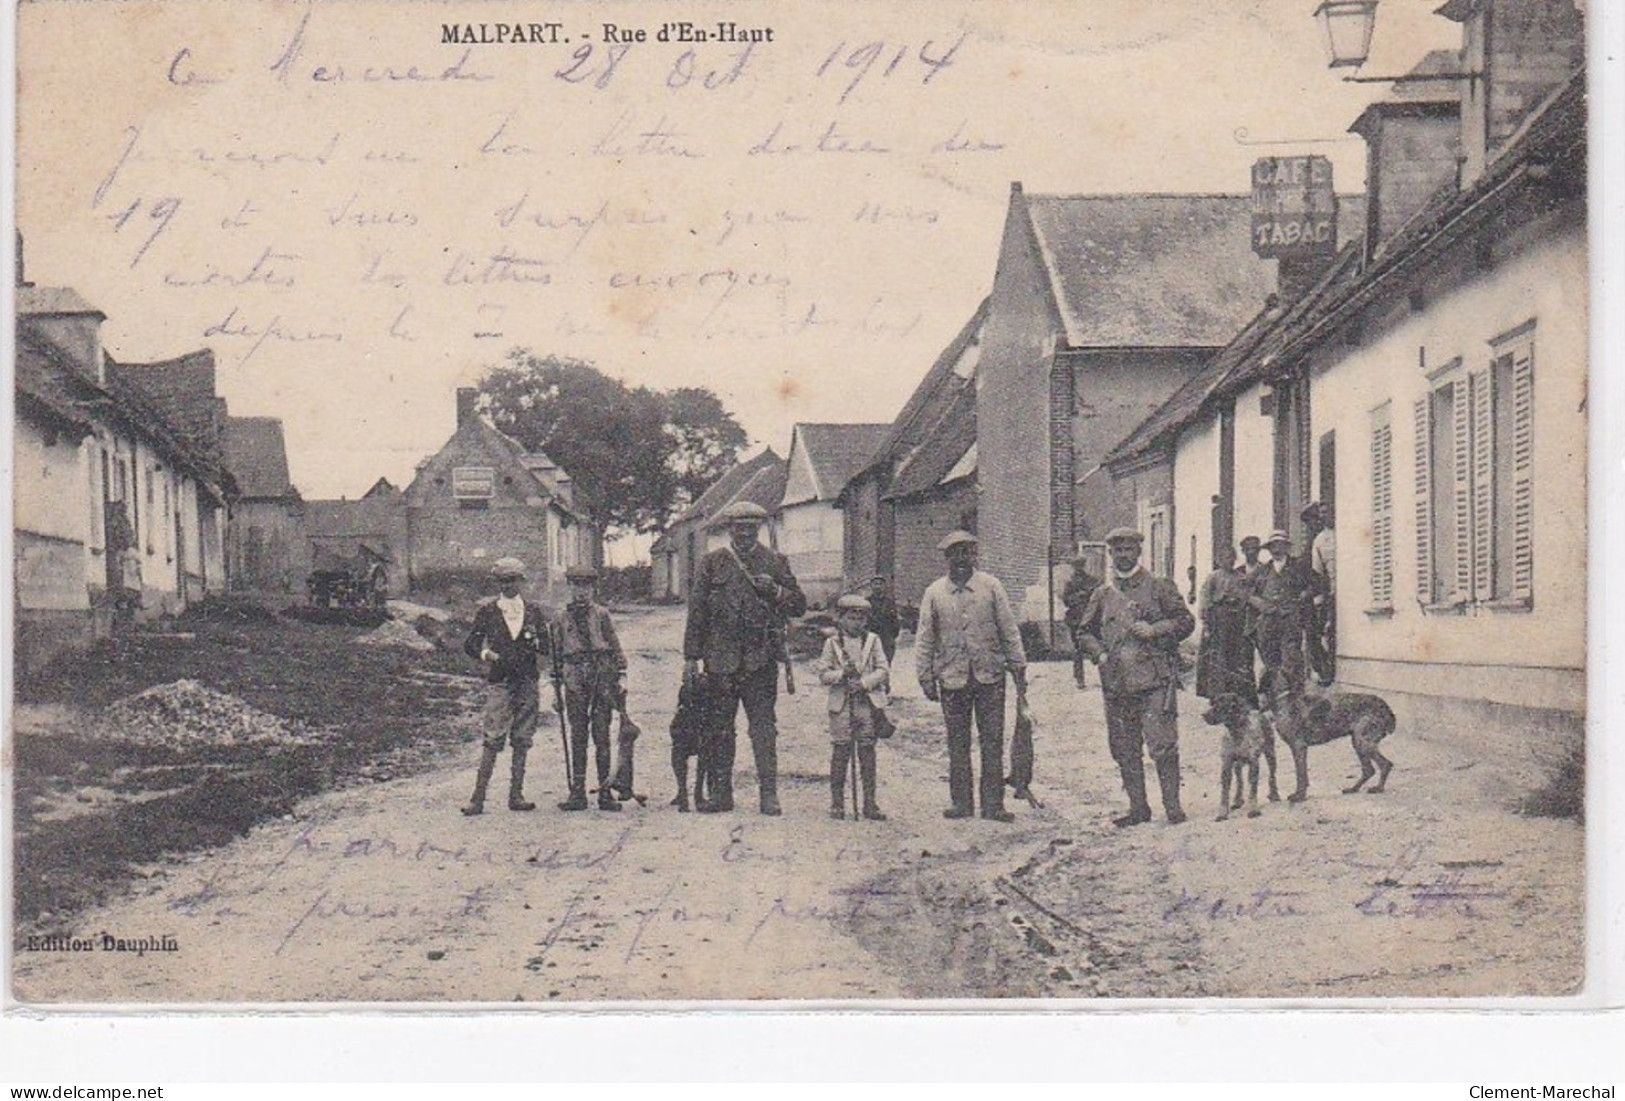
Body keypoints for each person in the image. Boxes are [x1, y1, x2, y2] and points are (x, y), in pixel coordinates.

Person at [683, 500, 807, 816]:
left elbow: (799, 605)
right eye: (740, 528)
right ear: (730, 530)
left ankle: (769, 795)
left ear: (759, 529)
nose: (745, 534)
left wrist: (777, 591)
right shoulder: (712, 563)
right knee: (719, 729)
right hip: (720, 660)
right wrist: (691, 657)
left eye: (751, 528)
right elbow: (697, 612)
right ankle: (722, 794)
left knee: (764, 729)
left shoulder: (775, 561)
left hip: (760, 660)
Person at [1074, 528, 1196, 827]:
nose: (1123, 556)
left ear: (1139, 552)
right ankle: (1138, 808)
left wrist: (1156, 630)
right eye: (1118, 551)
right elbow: (1084, 632)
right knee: (1124, 749)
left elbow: (1185, 621)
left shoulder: (1158, 587)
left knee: (1163, 745)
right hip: (1116, 684)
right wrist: (1099, 654)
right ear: (1111, 555)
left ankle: (1173, 807)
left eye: (1129, 550)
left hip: (1154, 681)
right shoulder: (1103, 594)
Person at [915, 530, 1027, 823]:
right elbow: (925, 637)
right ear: (947, 558)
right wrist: (925, 675)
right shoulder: (935, 593)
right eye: (955, 554)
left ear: (973, 555)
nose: (961, 560)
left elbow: (1008, 629)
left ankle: (993, 805)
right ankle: (961, 803)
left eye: (966, 553)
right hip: (952, 678)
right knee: (957, 743)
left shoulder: (991, 587)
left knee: (992, 741)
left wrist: (1018, 665)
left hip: (989, 675)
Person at [461, 557, 549, 816]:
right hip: (500, 681)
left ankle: (516, 795)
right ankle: (477, 799)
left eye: (513, 579)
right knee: (493, 736)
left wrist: (538, 645)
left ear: (522, 581)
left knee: (522, 737)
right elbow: (471, 644)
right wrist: (488, 655)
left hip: (527, 680)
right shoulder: (487, 611)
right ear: (497, 583)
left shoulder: (534, 612)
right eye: (503, 580)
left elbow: (546, 645)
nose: (509, 585)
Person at [552, 565, 628, 812]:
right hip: (574, 678)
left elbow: (615, 646)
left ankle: (605, 792)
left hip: (601, 677)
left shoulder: (602, 615)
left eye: (586, 586)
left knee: (601, 734)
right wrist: (556, 688)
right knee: (578, 735)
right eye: (576, 586)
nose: (581, 591)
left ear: (593, 588)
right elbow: (555, 655)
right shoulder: (560, 618)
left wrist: (620, 676)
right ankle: (577, 793)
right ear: (570, 588)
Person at [816, 594, 891, 821]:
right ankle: (837, 803)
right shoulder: (832, 643)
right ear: (841, 618)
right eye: (851, 617)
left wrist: (865, 683)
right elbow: (822, 674)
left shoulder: (873, 641)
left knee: (867, 751)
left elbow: (882, 669)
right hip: (842, 704)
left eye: (861, 618)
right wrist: (841, 675)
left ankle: (870, 803)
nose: (856, 622)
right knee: (841, 750)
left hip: (867, 703)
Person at [1195, 544, 1257, 706]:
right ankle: (1217, 694)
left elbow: (1247, 596)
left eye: (1231, 558)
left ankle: (1236, 694)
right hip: (1218, 621)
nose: (1229, 561)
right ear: (1219, 560)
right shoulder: (1213, 577)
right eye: (1225, 558)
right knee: (1217, 658)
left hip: (1236, 621)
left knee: (1236, 658)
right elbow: (1205, 599)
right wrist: (1207, 623)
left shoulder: (1240, 577)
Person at [1251, 530, 1310, 697]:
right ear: (1269, 549)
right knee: (1270, 664)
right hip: (1267, 625)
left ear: (1286, 547)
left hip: (1290, 622)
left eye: (1280, 545)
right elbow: (1248, 593)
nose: (1276, 550)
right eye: (1273, 546)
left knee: (1291, 662)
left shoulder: (1298, 567)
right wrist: (1260, 604)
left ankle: (1296, 701)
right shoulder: (1262, 571)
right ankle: (1273, 702)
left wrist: (1300, 599)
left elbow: (1313, 586)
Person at [1306, 503, 1337, 687]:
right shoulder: (1320, 540)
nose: (1326, 516)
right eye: (1322, 513)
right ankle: (1327, 671)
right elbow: (1318, 573)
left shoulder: (1347, 531)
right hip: (1332, 593)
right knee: (1327, 632)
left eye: (1329, 512)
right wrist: (1321, 598)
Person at [1062, 555, 1102, 689]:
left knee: (1096, 647)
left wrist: (1086, 596)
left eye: (1080, 565)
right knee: (1077, 650)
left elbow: (1099, 597)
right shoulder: (1070, 583)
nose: (1077, 568)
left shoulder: (1092, 581)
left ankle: (1101, 673)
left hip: (1092, 619)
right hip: (1075, 620)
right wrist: (1077, 597)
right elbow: (1066, 600)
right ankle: (1079, 678)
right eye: (1075, 566)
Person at [864, 576, 902, 664]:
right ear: (871, 586)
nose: (878, 586)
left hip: (886, 638)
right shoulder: (866, 602)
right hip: (870, 637)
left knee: (886, 664)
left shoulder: (890, 602)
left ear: (884, 586)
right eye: (875, 584)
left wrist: (892, 637)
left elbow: (895, 621)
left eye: (880, 584)